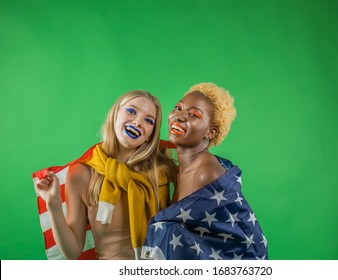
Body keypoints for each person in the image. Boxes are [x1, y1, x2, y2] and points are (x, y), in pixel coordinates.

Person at [34, 90, 177, 260]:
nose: (138, 122)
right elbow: (72, 252)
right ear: (115, 115)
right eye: (131, 111)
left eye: (148, 120)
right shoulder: (82, 173)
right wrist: (54, 205)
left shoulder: (163, 168)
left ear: (150, 135)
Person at [141, 82, 268, 260]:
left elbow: (181, 238)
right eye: (178, 107)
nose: (179, 116)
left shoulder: (204, 172)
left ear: (211, 132)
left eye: (193, 115)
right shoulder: (179, 168)